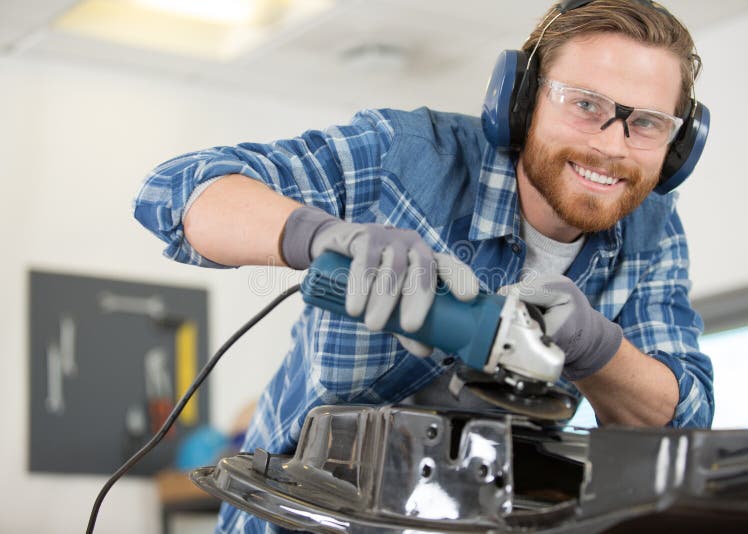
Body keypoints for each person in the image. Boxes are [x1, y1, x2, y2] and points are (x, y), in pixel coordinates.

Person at [134, 0, 714, 531]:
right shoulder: (406, 156)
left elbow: (681, 426)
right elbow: (177, 190)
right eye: (585, 105)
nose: (612, 146)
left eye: (647, 123)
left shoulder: (653, 232)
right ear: (521, 101)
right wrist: (323, 236)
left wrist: (595, 348)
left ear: (678, 147)